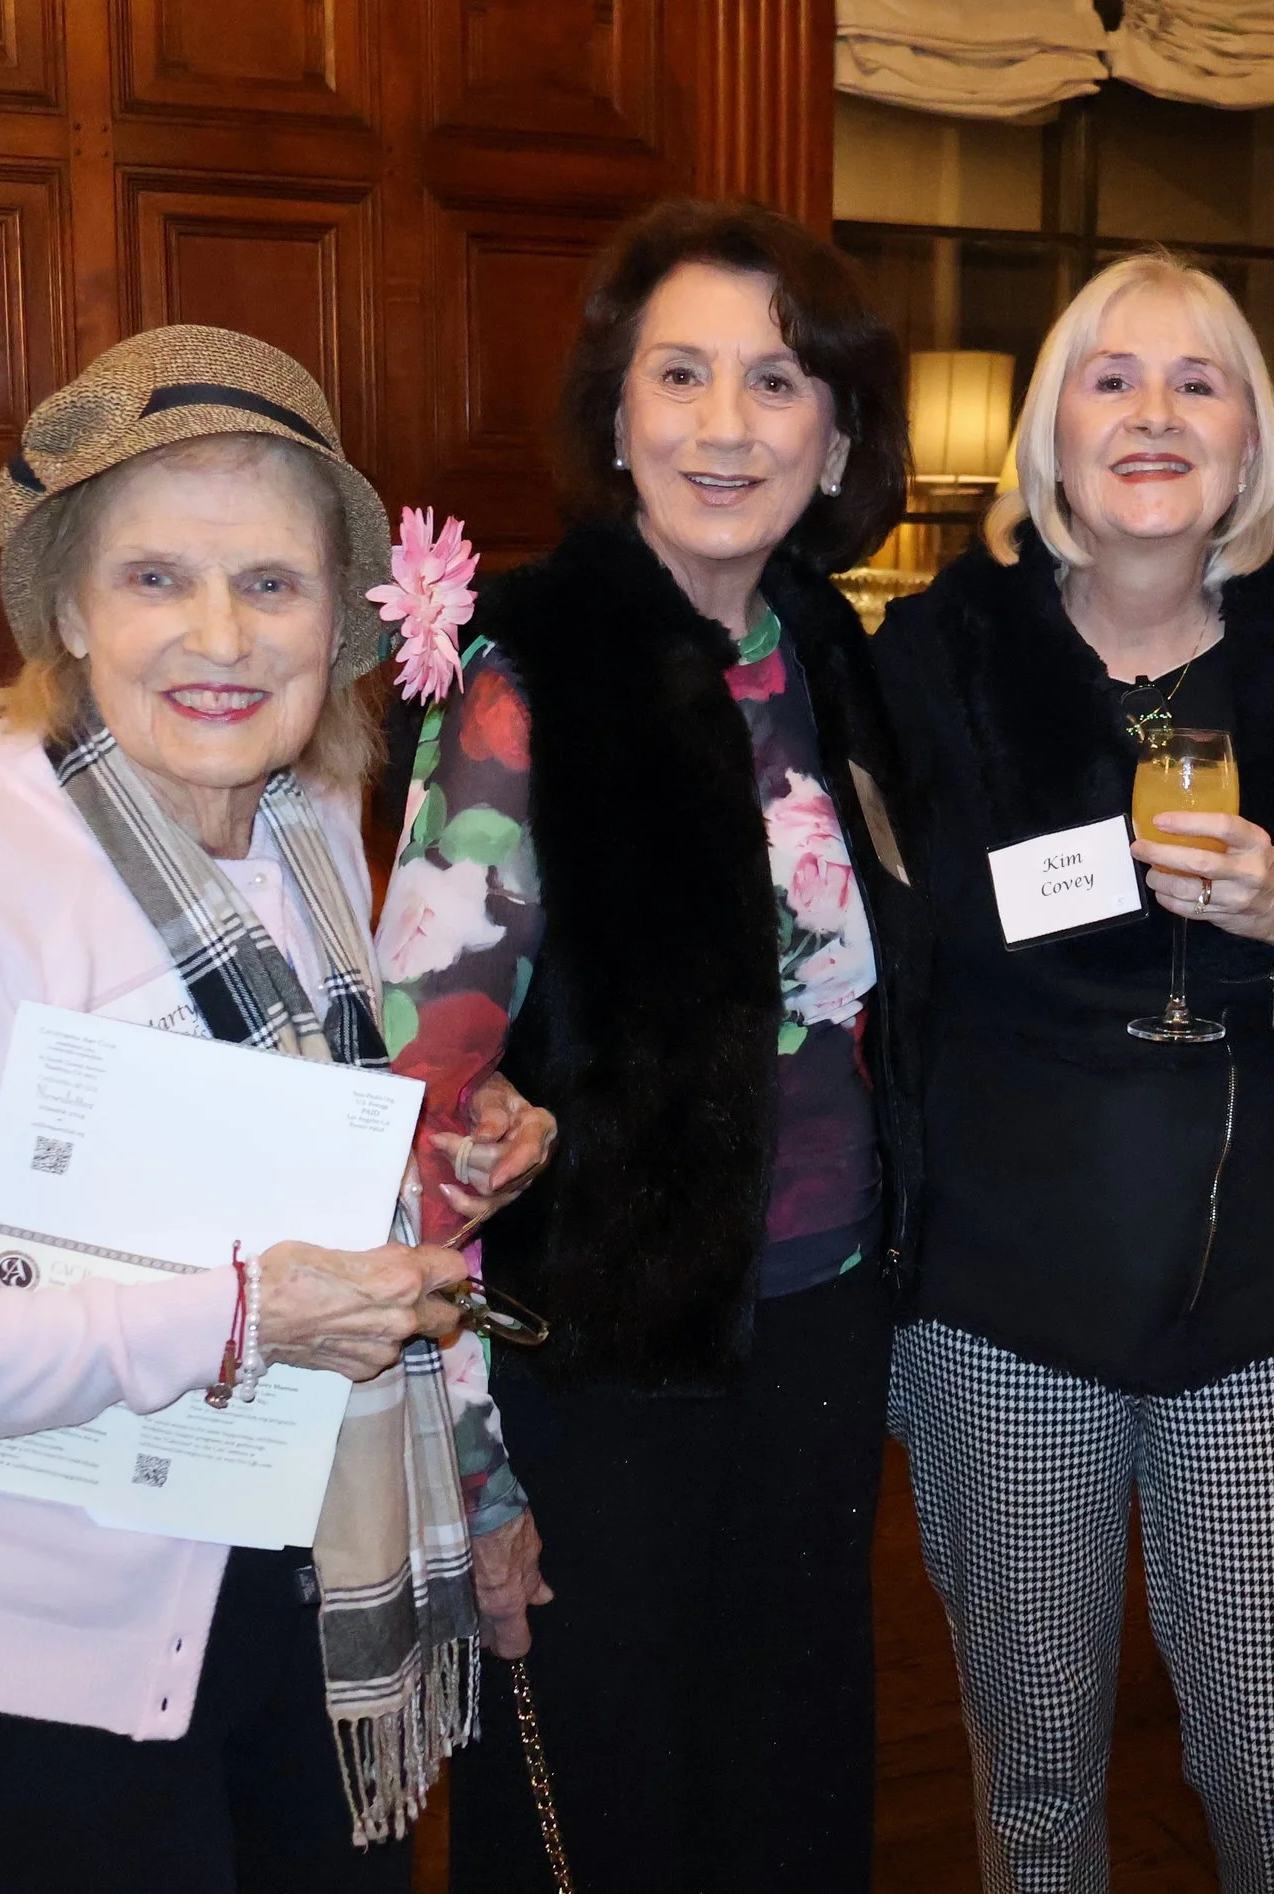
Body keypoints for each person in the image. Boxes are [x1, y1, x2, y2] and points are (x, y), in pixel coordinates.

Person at [0, 326, 551, 1894]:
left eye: (272, 582)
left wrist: (427, 1148)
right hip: (29, 1666)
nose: (220, 636)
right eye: (157, 577)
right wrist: (235, 1318)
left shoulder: (305, 818)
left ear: (339, 619)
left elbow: (268, 1135)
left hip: (298, 1587)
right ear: (71, 609)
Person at [869, 251, 1274, 1890]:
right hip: (1002, 1305)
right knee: (1033, 1786)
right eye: (1111, 378)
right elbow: (895, 926)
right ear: (1050, 435)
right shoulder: (937, 654)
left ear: (1247, 450)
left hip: (1269, 1304)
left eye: (1198, 381)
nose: (1153, 412)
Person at [375, 199, 918, 1893]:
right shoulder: (526, 673)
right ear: (616, 419)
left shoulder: (828, 652)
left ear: (837, 438)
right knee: (604, 1812)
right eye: (679, 374)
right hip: (593, 1361)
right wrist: (473, 1464)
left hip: (820, 1318)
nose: (724, 424)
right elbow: (418, 1098)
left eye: (776, 380)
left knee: (791, 1785)